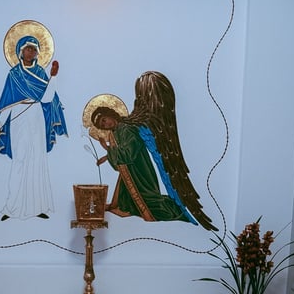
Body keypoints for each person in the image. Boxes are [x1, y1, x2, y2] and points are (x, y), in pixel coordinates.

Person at [91, 72, 217, 231]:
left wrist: (107, 149)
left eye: (104, 120)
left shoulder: (127, 129)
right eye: (102, 125)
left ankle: (177, 210)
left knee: (153, 206)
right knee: (129, 204)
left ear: (110, 114)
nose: (105, 125)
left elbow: (128, 155)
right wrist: (107, 156)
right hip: (132, 173)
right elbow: (119, 161)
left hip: (141, 174)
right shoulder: (117, 133)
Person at [0, 35, 67, 221]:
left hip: (36, 116)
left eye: (34, 49)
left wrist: (53, 77)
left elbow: (47, 98)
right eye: (28, 49)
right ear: (20, 51)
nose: (31, 52)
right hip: (18, 118)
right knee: (19, 160)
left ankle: (38, 206)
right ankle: (12, 207)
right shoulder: (14, 75)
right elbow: (7, 103)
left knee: (37, 160)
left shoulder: (40, 72)